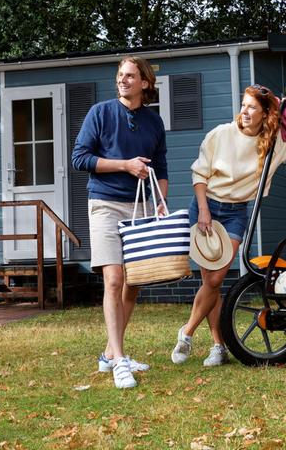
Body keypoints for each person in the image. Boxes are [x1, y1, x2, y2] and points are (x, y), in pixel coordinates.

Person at [171, 84, 286, 366]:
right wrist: (203, 211)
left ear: (265, 113)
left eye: (253, 107)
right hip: (206, 206)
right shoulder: (221, 134)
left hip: (236, 212)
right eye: (244, 105)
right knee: (209, 282)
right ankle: (218, 346)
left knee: (215, 279)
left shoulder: (274, 144)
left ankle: (186, 332)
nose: (245, 111)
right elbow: (199, 174)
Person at [71, 56, 168, 389]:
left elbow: (162, 170)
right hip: (106, 204)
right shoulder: (100, 113)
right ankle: (120, 362)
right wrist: (125, 165)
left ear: (145, 83)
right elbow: (80, 158)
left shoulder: (154, 122)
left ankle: (111, 353)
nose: (123, 80)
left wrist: (160, 203)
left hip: (142, 206)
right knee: (113, 279)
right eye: (120, 75)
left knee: (133, 283)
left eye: (130, 76)